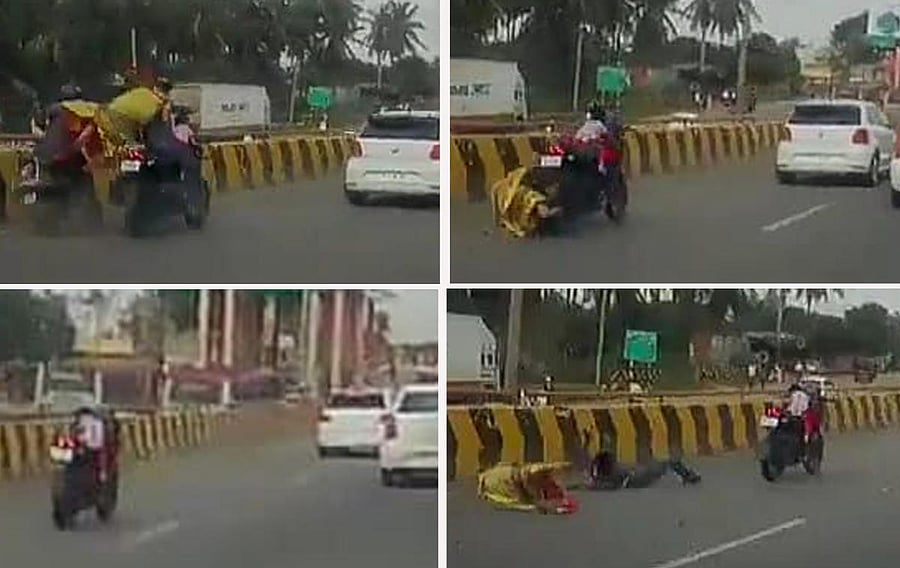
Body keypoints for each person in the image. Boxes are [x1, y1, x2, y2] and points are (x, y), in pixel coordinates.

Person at [587, 451, 701, 490]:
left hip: (639, 477)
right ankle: (687, 476)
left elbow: (594, 477)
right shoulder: (613, 476)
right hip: (640, 479)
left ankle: (686, 476)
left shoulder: (605, 476)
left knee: (666, 463)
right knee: (670, 463)